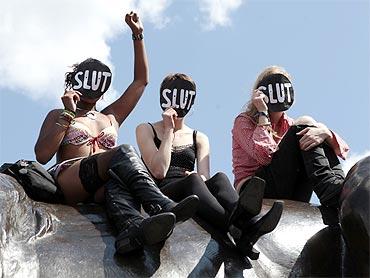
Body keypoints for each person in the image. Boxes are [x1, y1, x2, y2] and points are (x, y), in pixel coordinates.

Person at [34, 12, 199, 255]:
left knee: (118, 182)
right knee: (123, 152)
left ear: (103, 93)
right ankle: (159, 203)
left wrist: (137, 34)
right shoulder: (59, 113)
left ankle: (131, 230)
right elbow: (42, 155)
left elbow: (141, 81)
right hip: (71, 179)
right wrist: (68, 114)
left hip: (104, 184)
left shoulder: (110, 117)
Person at [136, 73, 284, 259]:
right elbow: (158, 171)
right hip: (161, 191)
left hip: (193, 189)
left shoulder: (199, 137)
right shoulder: (145, 129)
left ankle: (251, 221)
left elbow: (204, 176)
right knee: (193, 179)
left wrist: (199, 179)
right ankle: (236, 225)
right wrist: (168, 131)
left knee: (220, 177)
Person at [232, 65, 350, 225]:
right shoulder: (244, 121)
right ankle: (331, 190)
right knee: (307, 123)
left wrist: (325, 132)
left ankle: (338, 188)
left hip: (290, 188)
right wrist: (262, 113)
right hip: (257, 190)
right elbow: (264, 156)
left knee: (314, 130)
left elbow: (342, 150)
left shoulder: (290, 124)